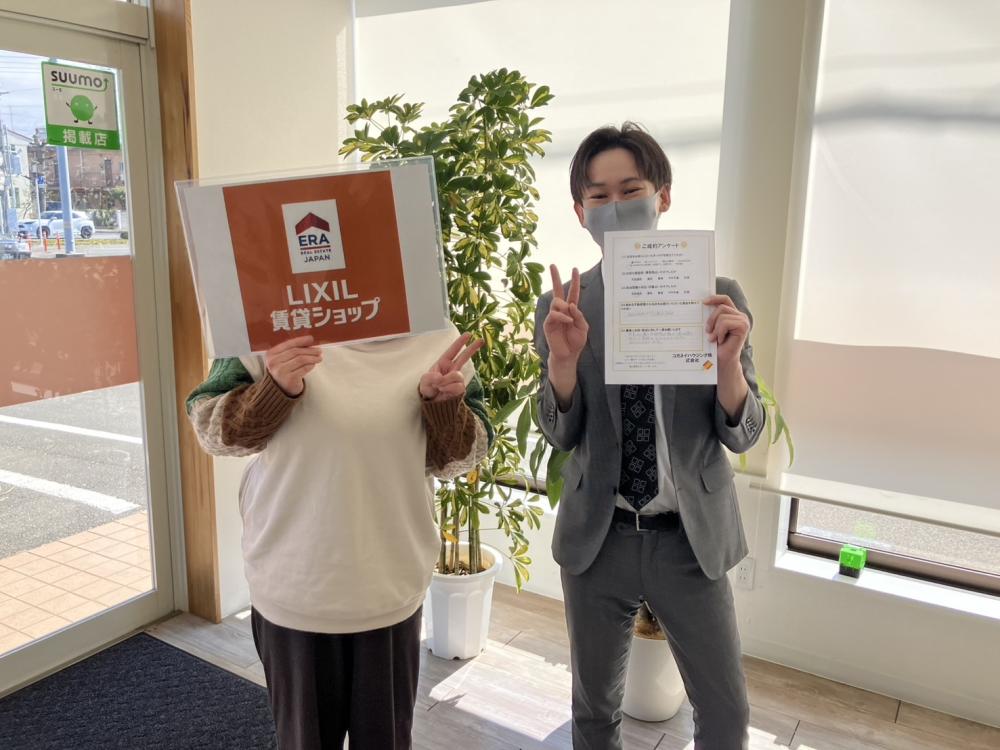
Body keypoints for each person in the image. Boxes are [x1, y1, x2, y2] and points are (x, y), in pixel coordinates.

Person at [534, 122, 765, 749]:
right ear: (580, 211)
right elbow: (560, 433)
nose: (615, 206)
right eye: (599, 195)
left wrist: (727, 366)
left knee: (725, 713)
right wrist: (562, 364)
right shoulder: (564, 306)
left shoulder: (717, 298)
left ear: (662, 195)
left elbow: (744, 434)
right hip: (599, 536)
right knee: (593, 711)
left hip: (689, 538)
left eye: (630, 190)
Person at [186, 326, 491, 749]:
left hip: (389, 588)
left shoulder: (431, 327)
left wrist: (443, 409)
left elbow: (465, 456)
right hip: (295, 588)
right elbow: (211, 429)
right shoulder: (267, 319)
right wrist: (274, 389)